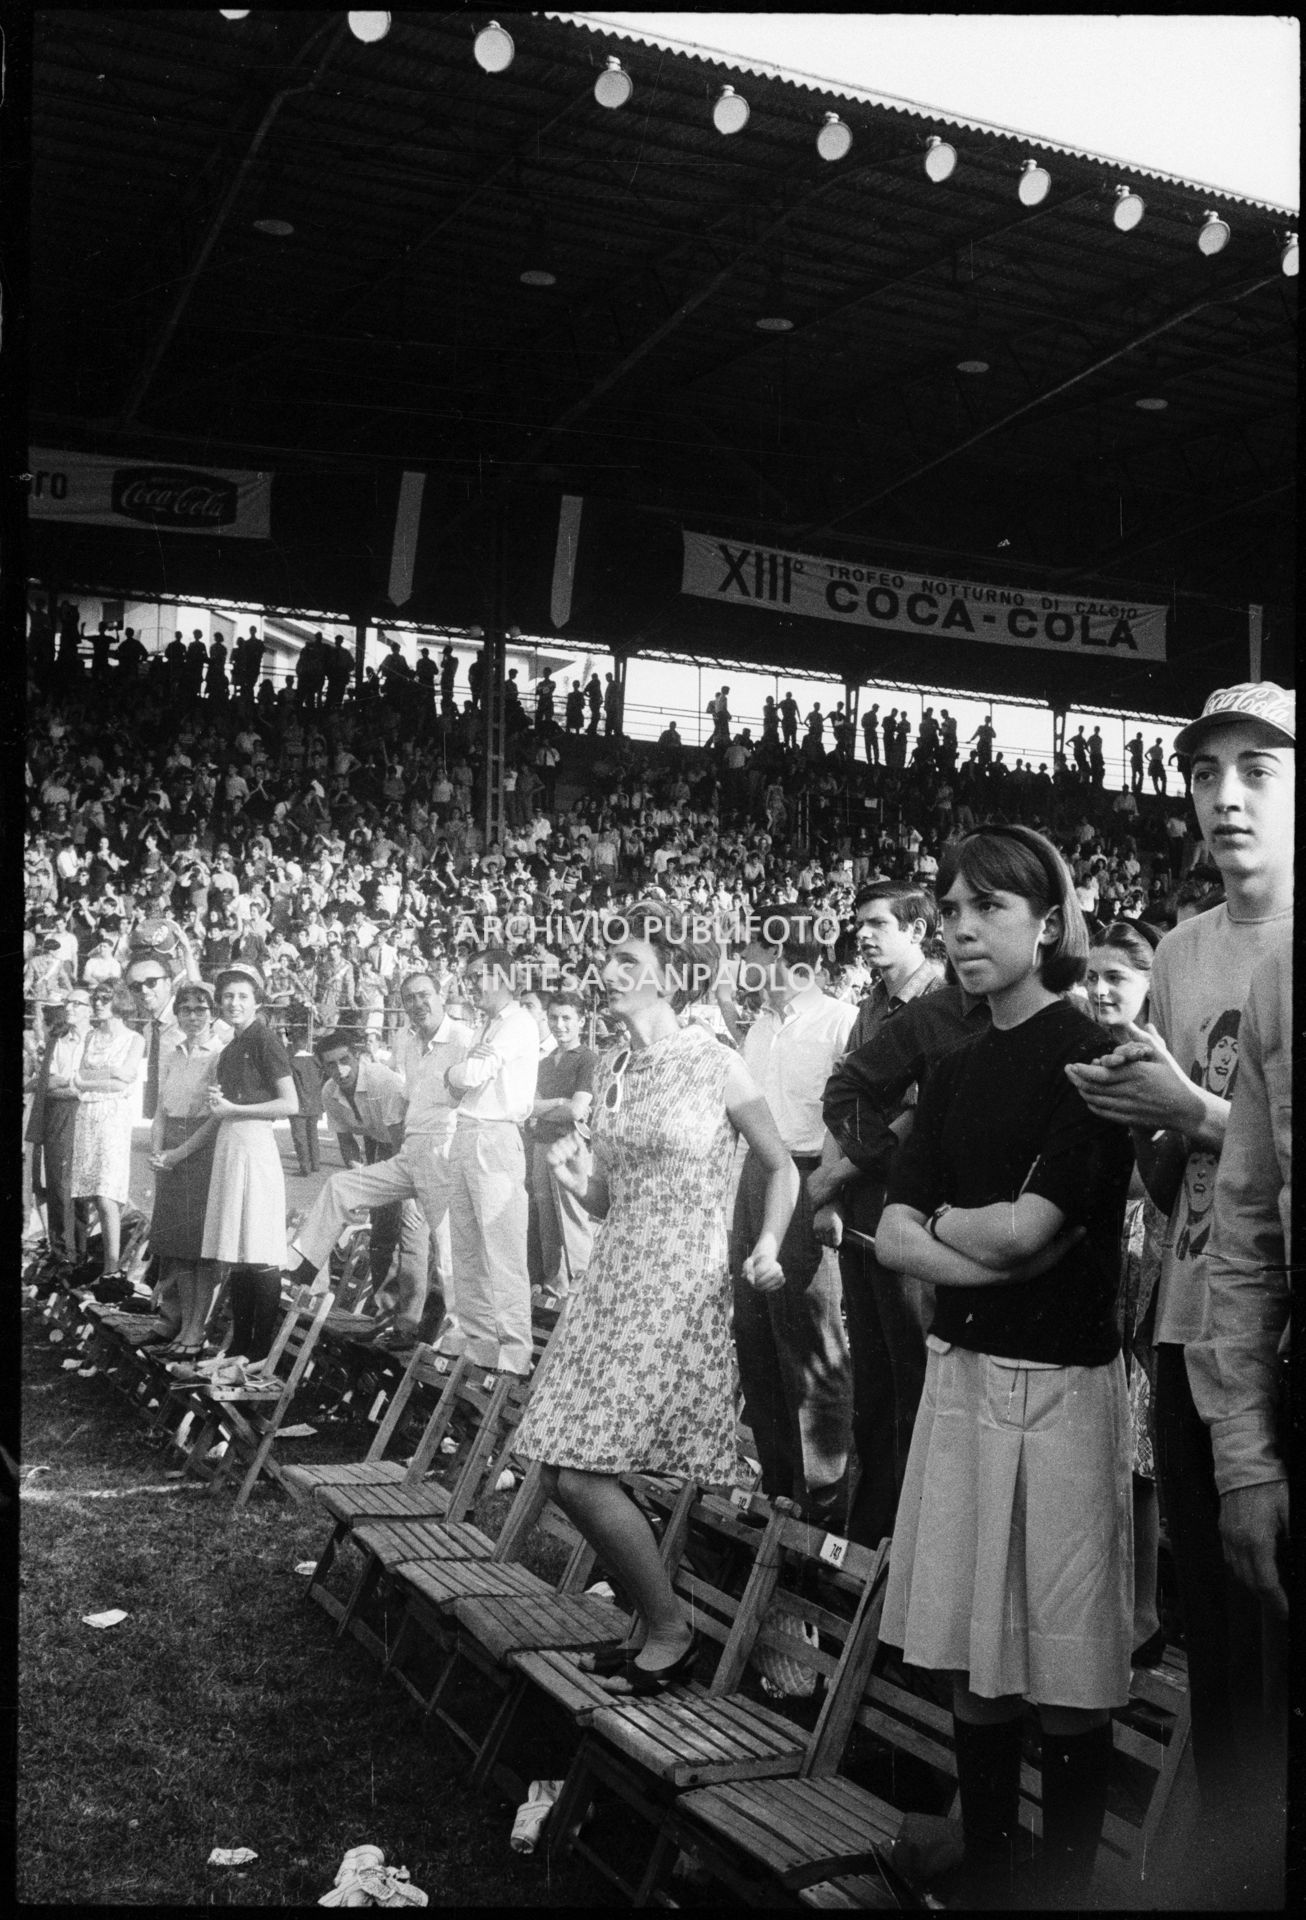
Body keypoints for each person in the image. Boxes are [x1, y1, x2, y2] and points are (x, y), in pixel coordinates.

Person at [875, 825, 1136, 1907]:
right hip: (966, 1372)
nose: (963, 928)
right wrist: (972, 1237)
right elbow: (896, 1235)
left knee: (1065, 1667)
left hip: (1064, 1387)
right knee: (971, 1653)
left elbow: (1037, 1228)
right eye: (950, 909)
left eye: (989, 907)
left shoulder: (1094, 1059)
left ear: (1047, 922)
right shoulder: (953, 1067)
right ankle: (985, 1872)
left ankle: (1061, 1890)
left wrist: (965, 1231)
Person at [1065, 681, 1294, 1841]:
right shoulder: (1182, 949)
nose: (1225, 796)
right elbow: (1184, 1182)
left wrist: (1193, 1112)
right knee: (1216, 1630)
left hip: (1278, 1344)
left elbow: (1249, 1145)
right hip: (1189, 1319)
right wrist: (1141, 1116)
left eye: (1257, 770)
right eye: (1205, 774)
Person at [515, 905, 797, 1692]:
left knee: (581, 1474)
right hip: (613, 1278)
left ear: (672, 977)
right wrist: (573, 1173)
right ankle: (647, 1619)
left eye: (627, 962)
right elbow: (609, 1197)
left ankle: (671, 1631)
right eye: (607, 959)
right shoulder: (612, 1066)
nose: (608, 973)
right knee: (554, 1468)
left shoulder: (716, 1063)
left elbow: (781, 1165)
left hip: (679, 1284)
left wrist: (767, 1244)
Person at [808, 883, 946, 1546]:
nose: (862, 935)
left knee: (913, 1377)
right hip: (864, 1211)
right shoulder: (869, 1006)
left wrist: (834, 1175)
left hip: (911, 1211)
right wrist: (834, 1194)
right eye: (858, 924)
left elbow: (917, 1114)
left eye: (877, 924)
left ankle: (912, 1537)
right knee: (874, 1378)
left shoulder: (942, 1002)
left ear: (916, 930)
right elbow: (844, 1103)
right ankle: (868, 1532)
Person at [728, 907, 857, 1530]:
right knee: (755, 1335)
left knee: (809, 1338)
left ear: (780, 953)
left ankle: (822, 1499)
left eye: (751, 949)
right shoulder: (759, 1026)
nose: (743, 962)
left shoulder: (840, 1021)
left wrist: (829, 1196)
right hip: (755, 1177)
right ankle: (779, 1485)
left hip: (809, 1179)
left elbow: (847, 1120)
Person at [284, 975, 472, 1348]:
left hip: (438, 1148)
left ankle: (450, 1332)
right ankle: (303, 1266)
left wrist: (412, 1195)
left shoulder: (462, 1038)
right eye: (409, 998)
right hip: (403, 1151)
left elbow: (406, 1126)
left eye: (424, 995)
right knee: (343, 1188)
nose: (417, 1004)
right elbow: (354, 1140)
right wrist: (367, 1181)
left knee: (436, 1241)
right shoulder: (407, 1042)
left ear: (440, 996)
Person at [1084, 919, 1171, 1668]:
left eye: (1117, 977)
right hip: (1097, 1253)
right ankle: (1112, 1605)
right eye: (1093, 977)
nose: (1100, 989)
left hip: (1148, 1257)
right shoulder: (1086, 1054)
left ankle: (1143, 1612)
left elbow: (1151, 1178)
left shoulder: (1159, 1059)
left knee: (1138, 1450)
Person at [442, 948, 541, 1377]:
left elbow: (468, 1077)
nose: (470, 986)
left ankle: (514, 1356)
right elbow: (458, 1088)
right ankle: (480, 1345)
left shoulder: (519, 1022)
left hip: (497, 1137)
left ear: (503, 977)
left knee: (503, 1252)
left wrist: (454, 1072)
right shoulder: (487, 1025)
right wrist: (460, 1073)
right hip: (467, 1132)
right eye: (467, 977)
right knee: (466, 1249)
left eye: (477, 976)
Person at [197, 964, 299, 1374]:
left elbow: (289, 1103)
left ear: (257, 1001)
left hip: (255, 1145)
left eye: (242, 996)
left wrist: (234, 1109)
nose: (234, 1003)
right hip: (231, 1143)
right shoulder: (229, 1048)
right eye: (227, 997)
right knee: (238, 1250)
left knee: (260, 1248)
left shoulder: (265, 1039)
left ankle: (260, 1352)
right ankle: (239, 1344)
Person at [315, 1028, 432, 1343]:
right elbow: (347, 1143)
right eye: (330, 1064)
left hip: (414, 1147)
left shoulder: (382, 1081)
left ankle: (408, 1326)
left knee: (411, 1232)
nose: (340, 1070)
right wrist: (361, 1183)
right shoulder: (329, 1092)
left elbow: (401, 1143)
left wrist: (405, 1197)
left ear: (358, 1056)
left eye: (345, 1060)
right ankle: (384, 1318)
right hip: (380, 1146)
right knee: (381, 1237)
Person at [145, 980, 225, 1359]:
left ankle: (195, 1328)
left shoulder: (220, 1054)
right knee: (176, 1248)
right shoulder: (173, 1052)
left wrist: (178, 1153)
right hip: (170, 1152)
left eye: (200, 1009)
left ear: (212, 1013)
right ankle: (182, 1325)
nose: (193, 1016)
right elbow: (161, 1109)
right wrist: (157, 1150)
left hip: (199, 1150)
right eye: (186, 1009)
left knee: (197, 1249)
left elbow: (214, 1119)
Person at [70, 983, 147, 1282]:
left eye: (105, 998)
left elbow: (123, 1082)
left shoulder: (134, 1039)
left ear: (119, 1002)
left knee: (107, 1193)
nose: (98, 1003)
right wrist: (111, 1073)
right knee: (90, 1193)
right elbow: (80, 1077)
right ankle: (99, 1259)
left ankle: (111, 1269)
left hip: (113, 1117)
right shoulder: (91, 1036)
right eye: (96, 998)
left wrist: (94, 1079)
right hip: (87, 1115)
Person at [526, 991, 597, 1305]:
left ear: (581, 1020)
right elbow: (527, 1106)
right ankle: (556, 1289)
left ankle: (583, 1291)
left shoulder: (587, 1059)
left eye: (567, 1017)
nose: (560, 1024)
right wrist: (557, 1103)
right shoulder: (543, 1062)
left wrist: (543, 1109)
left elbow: (576, 1110)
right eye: (553, 1017)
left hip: (571, 1147)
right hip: (542, 1145)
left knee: (572, 1218)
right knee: (547, 1220)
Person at [25, 990, 92, 1267]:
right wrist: (74, 1083)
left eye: (78, 1003)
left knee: (80, 1186)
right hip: (57, 1115)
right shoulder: (58, 1039)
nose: (70, 1007)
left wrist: (72, 1084)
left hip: (86, 1115)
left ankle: (78, 1252)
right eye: (68, 1003)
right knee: (55, 1183)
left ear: (90, 1009)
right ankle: (62, 1253)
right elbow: (47, 1083)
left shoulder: (96, 1041)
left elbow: (88, 1086)